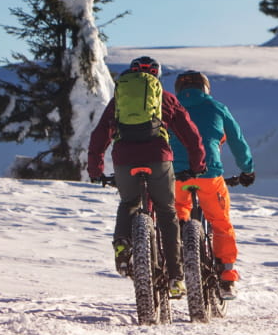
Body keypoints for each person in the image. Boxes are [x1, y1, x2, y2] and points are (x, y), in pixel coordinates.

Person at [87, 56, 207, 297]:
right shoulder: (166, 98)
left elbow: (100, 135)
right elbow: (191, 134)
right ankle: (175, 276)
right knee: (166, 211)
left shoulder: (118, 100)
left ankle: (122, 243)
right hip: (158, 158)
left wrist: (96, 170)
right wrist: (198, 164)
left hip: (125, 159)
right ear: (156, 76)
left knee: (129, 203)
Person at [169, 70, 255, 298]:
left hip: (177, 176)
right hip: (209, 175)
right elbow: (236, 140)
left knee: (175, 219)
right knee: (220, 221)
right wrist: (247, 170)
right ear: (205, 88)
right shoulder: (217, 108)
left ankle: (174, 273)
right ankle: (227, 278)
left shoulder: (169, 107)